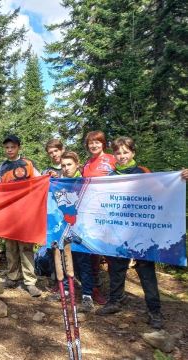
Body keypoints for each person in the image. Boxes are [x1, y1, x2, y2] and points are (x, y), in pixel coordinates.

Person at [95, 136, 163, 328]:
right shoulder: (110, 176)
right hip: (118, 232)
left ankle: (154, 311)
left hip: (141, 233)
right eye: (118, 152)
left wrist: (179, 178)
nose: (122, 155)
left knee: (146, 271)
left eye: (126, 152)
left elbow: (161, 191)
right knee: (116, 268)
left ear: (133, 152)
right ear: (114, 155)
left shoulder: (143, 172)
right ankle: (115, 301)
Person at [0, 135, 42, 297]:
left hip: (26, 212)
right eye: (7, 147)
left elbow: (40, 182)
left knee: (26, 247)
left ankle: (30, 281)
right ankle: (13, 277)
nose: (9, 150)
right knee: (10, 247)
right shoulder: (1, 167)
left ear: (18, 148)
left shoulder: (28, 164)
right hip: (9, 214)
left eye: (12, 147)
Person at [58, 151, 96, 312]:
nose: (66, 168)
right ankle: (66, 289)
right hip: (64, 228)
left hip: (82, 229)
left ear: (77, 164)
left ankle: (87, 295)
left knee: (83, 262)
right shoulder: (59, 183)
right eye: (63, 165)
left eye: (69, 164)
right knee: (64, 259)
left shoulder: (85, 182)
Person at [81, 130, 115, 305]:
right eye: (91, 143)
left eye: (97, 142)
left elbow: (135, 177)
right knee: (92, 253)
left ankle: (117, 295)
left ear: (103, 143)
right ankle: (95, 289)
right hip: (91, 215)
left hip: (111, 213)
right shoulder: (86, 164)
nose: (94, 145)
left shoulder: (112, 159)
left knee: (112, 254)